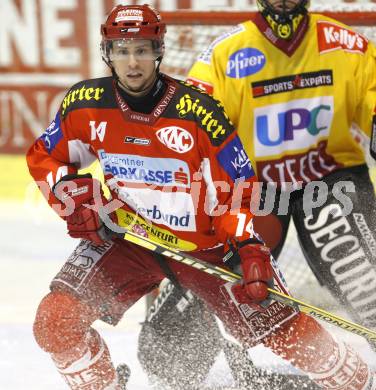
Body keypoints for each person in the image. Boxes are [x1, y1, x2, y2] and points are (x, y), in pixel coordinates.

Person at [26, 3, 375, 390]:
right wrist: (69, 195)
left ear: (159, 50)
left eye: (142, 49)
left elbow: (237, 189)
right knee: (57, 323)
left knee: (296, 340)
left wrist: (251, 249)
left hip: (208, 248)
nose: (133, 62)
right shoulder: (85, 104)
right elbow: (46, 157)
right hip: (128, 240)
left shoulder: (199, 114)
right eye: (122, 51)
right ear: (106, 53)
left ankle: (355, 379)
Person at [138, 0, 376, 388]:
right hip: (255, 187)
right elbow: (190, 125)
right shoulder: (225, 55)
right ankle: (178, 338)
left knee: (364, 282)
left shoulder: (344, 44)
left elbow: (372, 93)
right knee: (192, 313)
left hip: (330, 179)